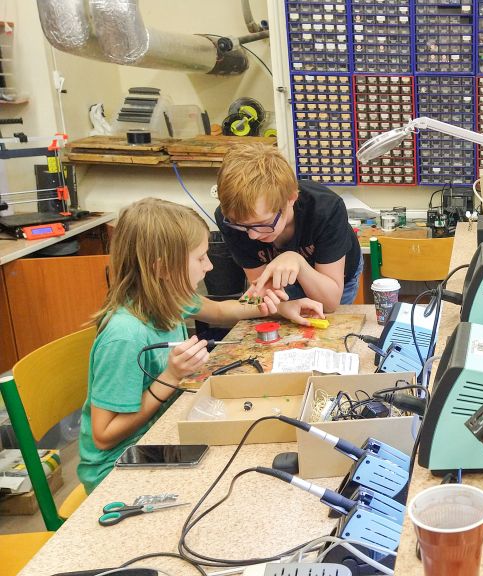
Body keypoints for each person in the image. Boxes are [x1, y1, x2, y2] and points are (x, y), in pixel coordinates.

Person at [78, 198, 323, 493]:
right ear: (163, 267)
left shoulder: (169, 297)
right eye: (200, 258)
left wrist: (280, 307)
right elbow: (104, 436)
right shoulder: (125, 335)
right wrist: (171, 377)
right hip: (119, 464)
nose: (209, 266)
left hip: (163, 432)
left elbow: (220, 310)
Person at [215, 143, 363, 312]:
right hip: (286, 281)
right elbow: (264, 291)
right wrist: (264, 300)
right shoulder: (230, 219)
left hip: (331, 280)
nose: (252, 236)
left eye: (263, 223)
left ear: (291, 199)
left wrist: (297, 261)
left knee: (328, 318)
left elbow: (329, 303)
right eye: (243, 226)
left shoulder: (325, 209)